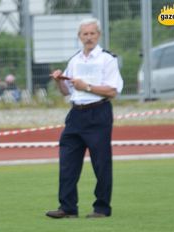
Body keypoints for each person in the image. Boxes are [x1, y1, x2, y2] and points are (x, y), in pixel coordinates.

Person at [45, 18, 123, 219]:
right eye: (85, 34)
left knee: (101, 162)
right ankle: (68, 206)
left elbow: (113, 91)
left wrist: (87, 87)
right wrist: (58, 81)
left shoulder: (107, 59)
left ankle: (102, 208)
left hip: (98, 112)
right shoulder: (75, 60)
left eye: (92, 34)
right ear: (79, 37)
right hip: (76, 113)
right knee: (68, 161)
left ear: (98, 35)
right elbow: (66, 91)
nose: (88, 37)